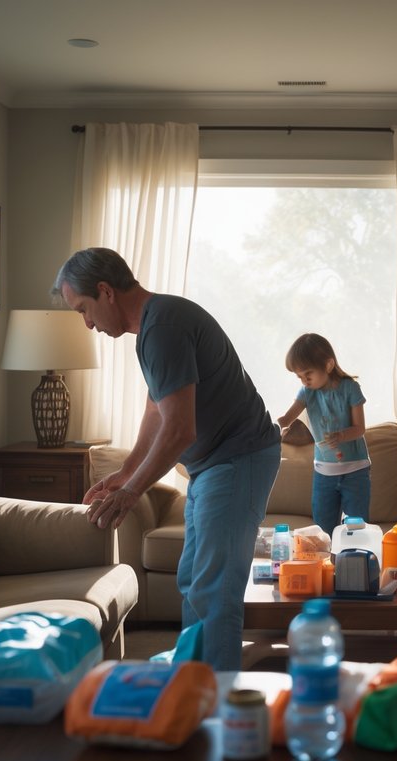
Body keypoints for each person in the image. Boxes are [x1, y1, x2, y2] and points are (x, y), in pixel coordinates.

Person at [52, 247, 280, 671]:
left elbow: (180, 429)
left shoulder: (164, 327)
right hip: (214, 465)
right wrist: (126, 471)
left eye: (84, 309)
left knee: (213, 590)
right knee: (193, 580)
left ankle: (213, 701)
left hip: (238, 458)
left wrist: (132, 492)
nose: (87, 323)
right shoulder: (152, 328)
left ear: (105, 292)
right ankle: (193, 681)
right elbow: (158, 409)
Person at [275, 333, 371, 536]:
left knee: (357, 529)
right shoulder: (306, 392)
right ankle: (328, 567)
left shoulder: (350, 388)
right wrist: (277, 426)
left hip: (355, 469)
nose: (304, 381)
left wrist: (342, 435)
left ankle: (356, 565)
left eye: (307, 374)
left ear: (328, 365)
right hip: (323, 472)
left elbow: (359, 428)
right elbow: (287, 418)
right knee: (323, 532)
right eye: (299, 377)